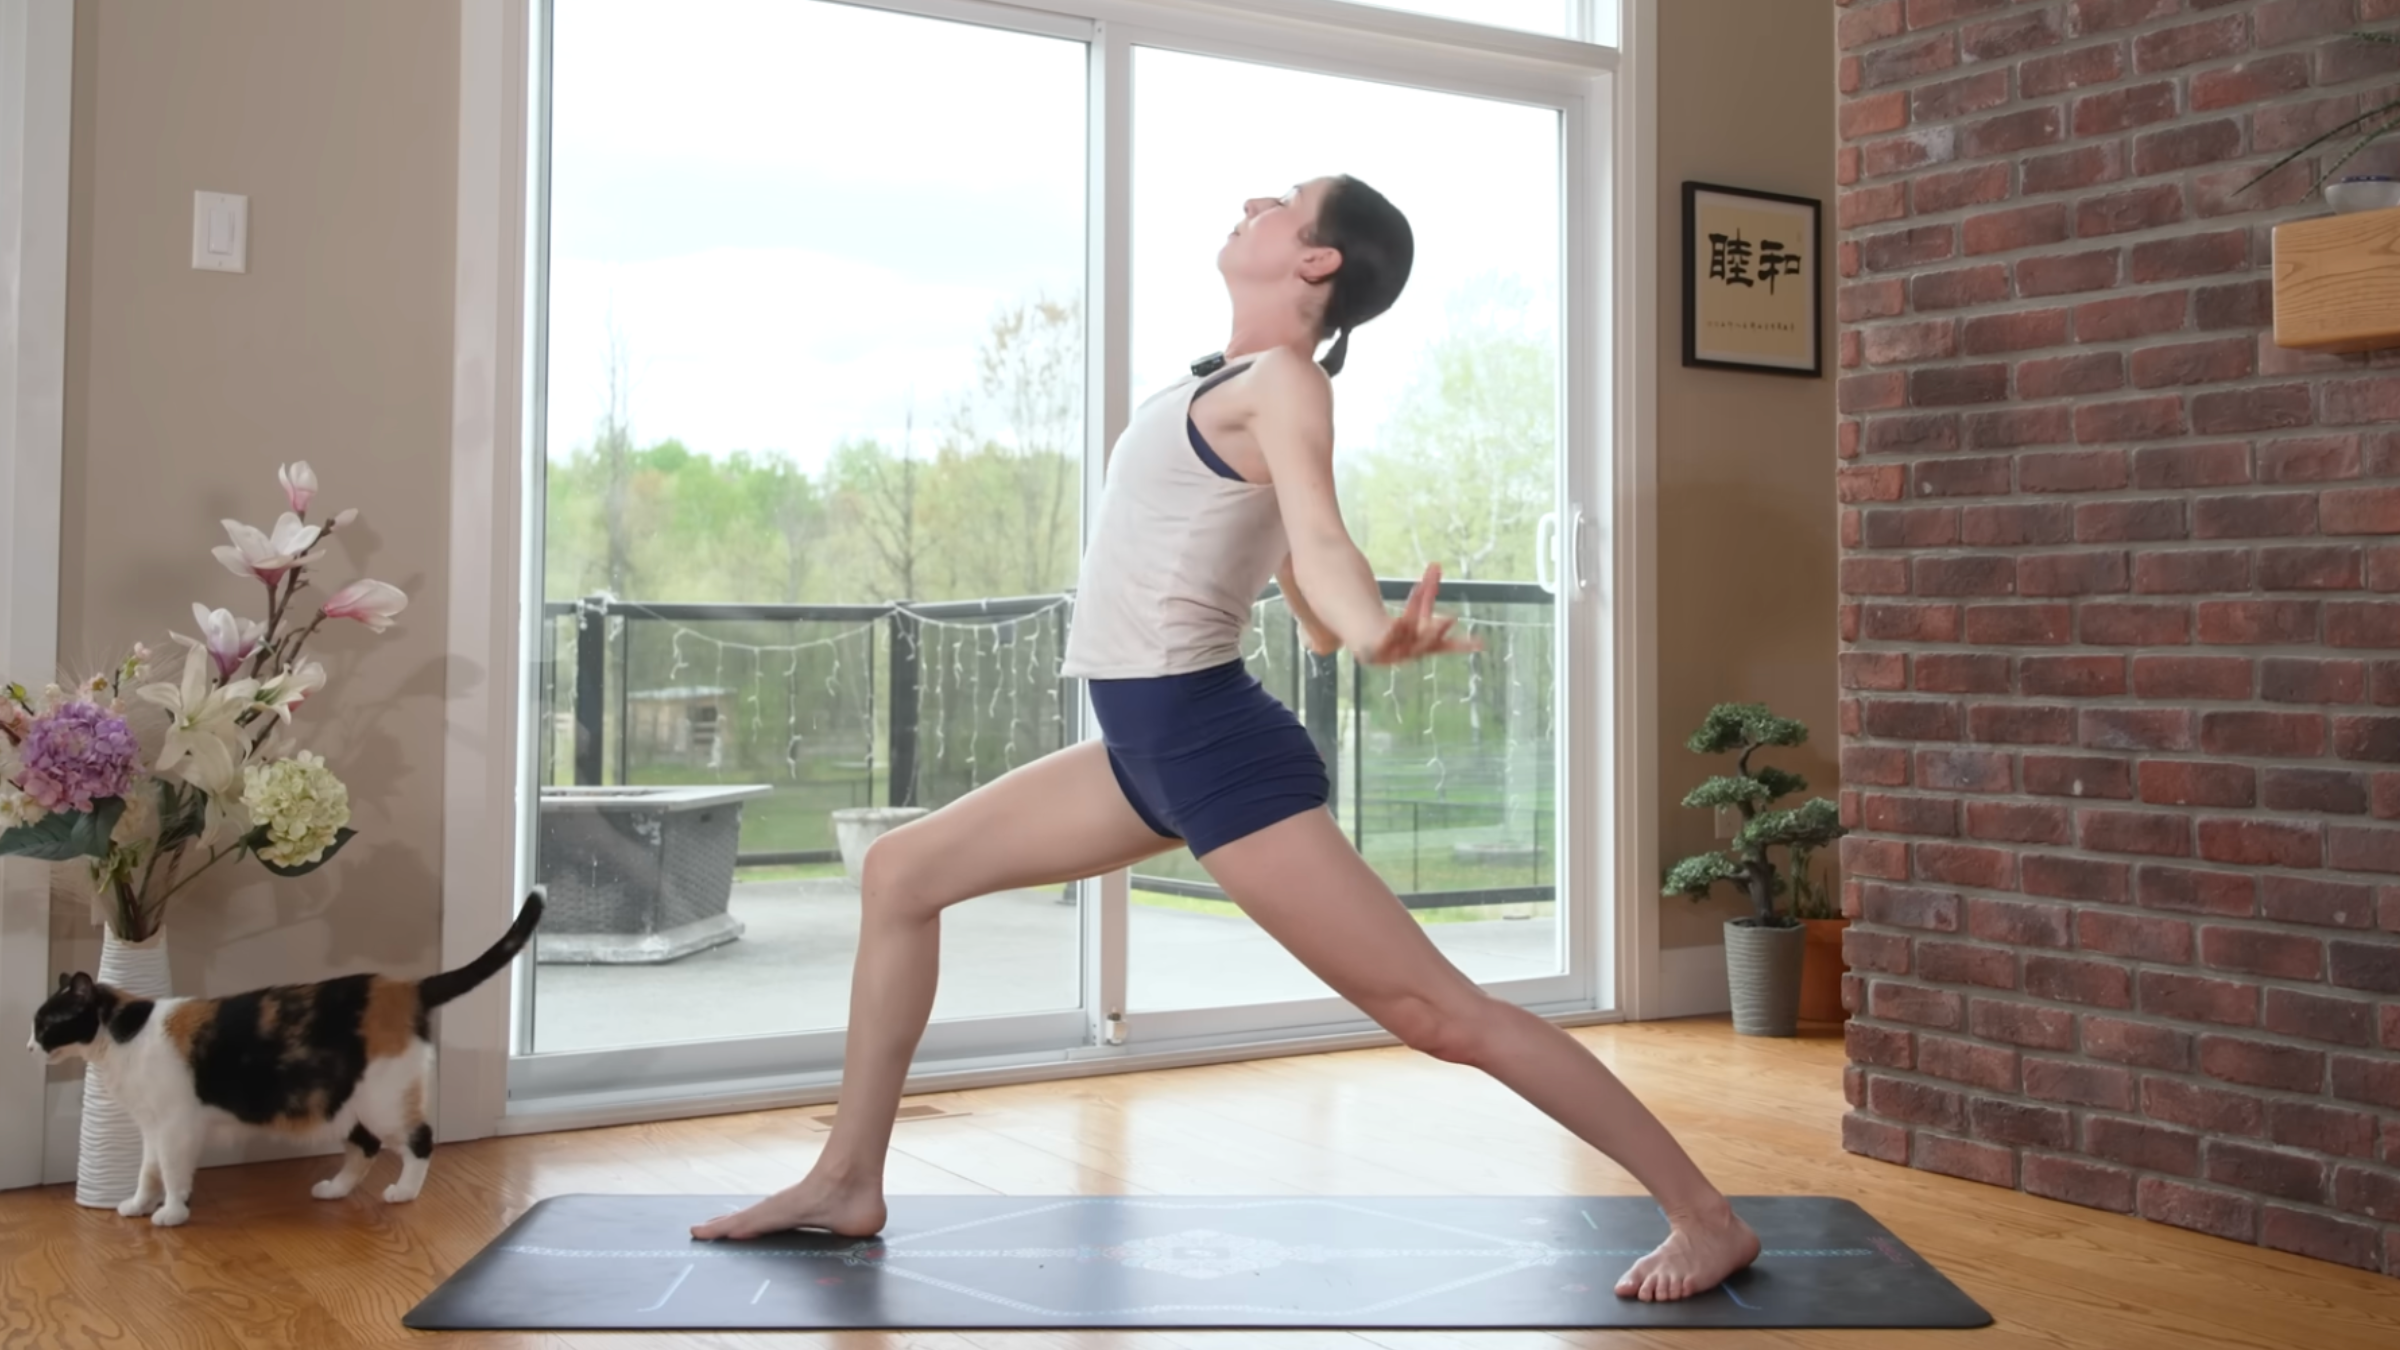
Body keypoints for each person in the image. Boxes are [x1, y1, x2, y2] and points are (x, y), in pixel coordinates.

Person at [693, 175, 1761, 1302]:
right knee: (903, 874)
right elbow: (1292, 568)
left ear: (1316, 262)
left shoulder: (1288, 381)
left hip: (1210, 748)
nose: (1254, 199)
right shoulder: (1221, 385)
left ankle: (1706, 1217)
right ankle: (847, 1179)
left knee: (1438, 1015)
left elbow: (1325, 540)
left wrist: (1369, 631)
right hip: (1144, 752)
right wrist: (1326, 614)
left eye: (1284, 199)